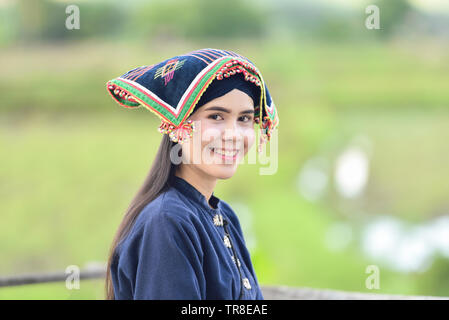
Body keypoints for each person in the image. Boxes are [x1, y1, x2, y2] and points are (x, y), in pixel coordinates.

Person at [104, 48, 279, 300]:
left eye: (244, 119)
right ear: (179, 126)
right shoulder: (167, 221)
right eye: (216, 116)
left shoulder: (224, 215)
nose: (233, 135)